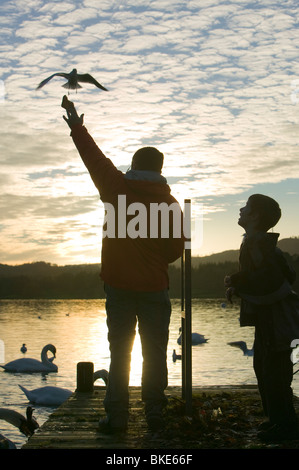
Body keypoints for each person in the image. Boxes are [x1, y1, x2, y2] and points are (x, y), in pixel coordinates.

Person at [62, 96, 184, 433]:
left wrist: (77, 126)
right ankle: (154, 414)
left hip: (118, 287)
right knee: (155, 352)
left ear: (133, 164)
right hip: (155, 289)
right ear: (160, 169)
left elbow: (94, 159)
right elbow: (176, 251)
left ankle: (116, 418)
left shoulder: (116, 188)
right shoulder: (170, 204)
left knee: (121, 353)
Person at [224, 194, 299, 443]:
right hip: (269, 321)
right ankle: (275, 421)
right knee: (264, 369)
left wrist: (238, 281)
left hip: (276, 322)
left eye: (245, 207)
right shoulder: (256, 243)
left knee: (275, 373)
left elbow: (270, 280)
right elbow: (276, 276)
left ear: (255, 216)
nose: (241, 210)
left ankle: (285, 426)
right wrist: (239, 284)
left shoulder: (258, 245)